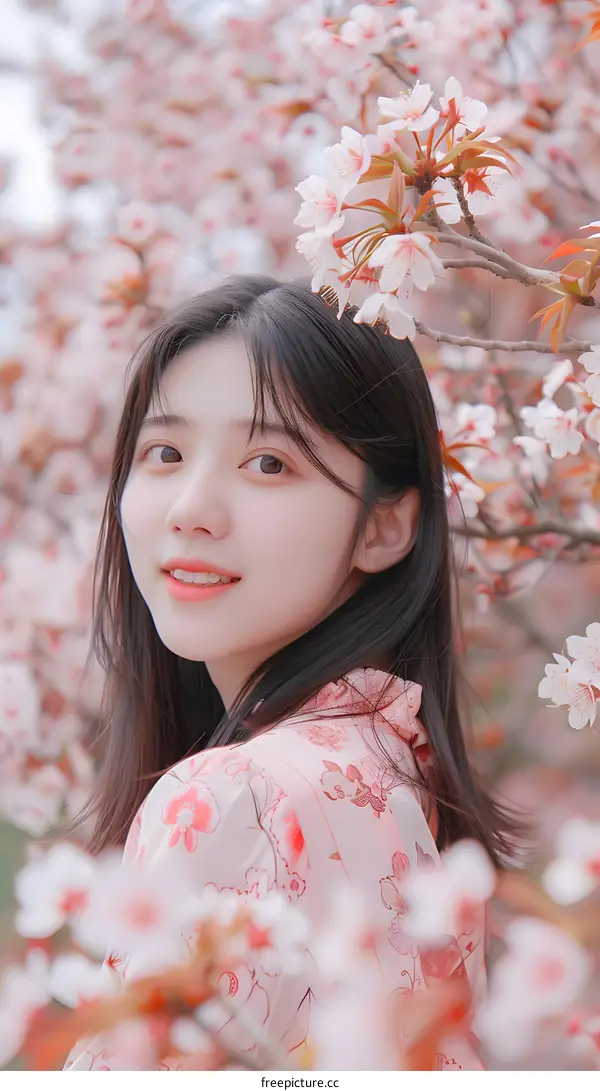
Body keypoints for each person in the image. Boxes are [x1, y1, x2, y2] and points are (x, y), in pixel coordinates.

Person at [62, 274, 520, 1071]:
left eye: (269, 462)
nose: (192, 508)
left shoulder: (229, 795)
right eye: (165, 452)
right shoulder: (397, 780)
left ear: (384, 526)